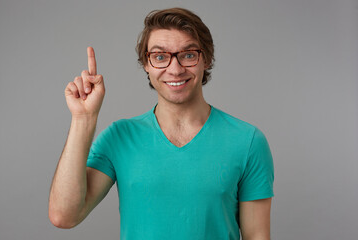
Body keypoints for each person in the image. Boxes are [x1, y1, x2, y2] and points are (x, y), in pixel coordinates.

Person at [49, 7, 274, 240]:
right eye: (159, 57)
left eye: (188, 55)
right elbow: (64, 216)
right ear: (146, 64)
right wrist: (83, 119)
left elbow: (257, 235)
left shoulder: (247, 141)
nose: (175, 70)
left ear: (205, 59)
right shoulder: (120, 137)